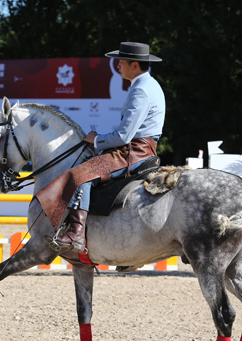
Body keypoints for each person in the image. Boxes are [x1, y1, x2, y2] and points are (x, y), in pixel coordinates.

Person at [36, 42, 166, 253]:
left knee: (79, 175)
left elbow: (124, 135)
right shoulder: (149, 85)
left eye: (121, 62)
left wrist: (96, 140)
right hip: (140, 148)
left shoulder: (141, 90)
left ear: (134, 65)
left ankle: (76, 235)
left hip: (134, 152)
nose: (117, 66)